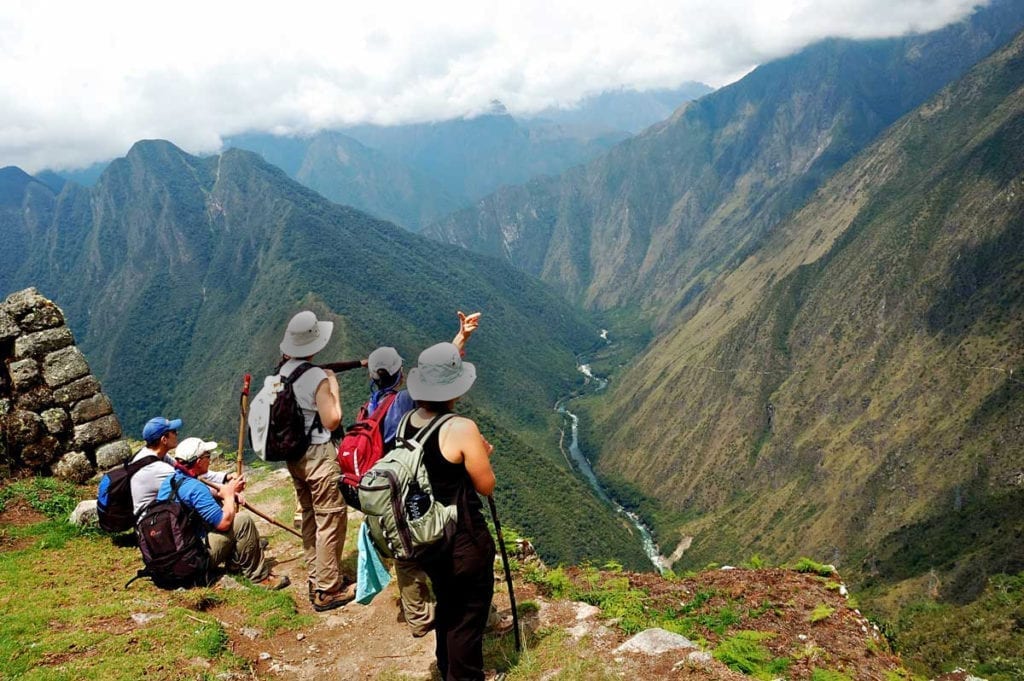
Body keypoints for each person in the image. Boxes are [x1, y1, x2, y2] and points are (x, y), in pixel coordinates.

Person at [363, 311, 481, 638]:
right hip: (415, 486)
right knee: (439, 547)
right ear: (400, 375)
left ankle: (418, 617)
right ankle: (470, 614)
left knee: (405, 553)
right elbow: (439, 380)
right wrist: (459, 342)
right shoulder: (405, 402)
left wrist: (460, 339)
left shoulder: (373, 404)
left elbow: (436, 375)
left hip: (387, 487)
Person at [404, 342, 497, 681]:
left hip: (426, 538)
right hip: (463, 538)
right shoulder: (460, 427)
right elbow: (486, 485)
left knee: (447, 604)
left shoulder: (407, 423)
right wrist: (485, 454)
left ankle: (447, 668)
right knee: (468, 615)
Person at [277, 310, 353, 611]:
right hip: (318, 455)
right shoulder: (316, 377)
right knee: (330, 518)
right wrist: (333, 387)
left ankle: (317, 577)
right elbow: (333, 420)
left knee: (310, 515)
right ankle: (328, 589)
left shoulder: (281, 373)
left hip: (294, 456)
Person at [150, 437, 289, 589]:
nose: (209, 459)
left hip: (173, 559)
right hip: (192, 562)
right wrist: (229, 496)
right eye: (207, 456)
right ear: (198, 462)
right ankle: (260, 578)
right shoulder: (195, 488)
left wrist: (225, 492)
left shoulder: (170, 481)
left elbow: (198, 496)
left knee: (218, 508)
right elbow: (224, 523)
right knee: (243, 521)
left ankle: (235, 562)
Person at [130, 416, 240, 516]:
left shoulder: (154, 454)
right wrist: (229, 491)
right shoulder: (157, 469)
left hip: (162, 512)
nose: (177, 433)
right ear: (164, 440)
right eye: (173, 432)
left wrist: (226, 477)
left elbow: (187, 471)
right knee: (210, 503)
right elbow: (193, 487)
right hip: (156, 522)